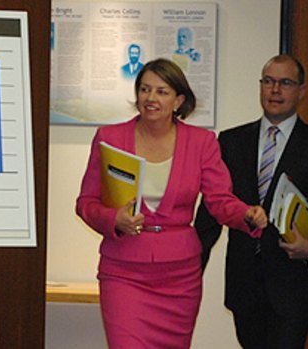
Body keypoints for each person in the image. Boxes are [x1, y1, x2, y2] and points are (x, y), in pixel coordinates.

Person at [76, 58, 268, 349]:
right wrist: (113, 219)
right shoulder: (110, 137)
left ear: (179, 101)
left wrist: (247, 214)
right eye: (144, 89)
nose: (151, 98)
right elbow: (86, 202)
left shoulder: (201, 142)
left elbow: (219, 201)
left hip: (179, 277)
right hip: (124, 272)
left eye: (162, 91)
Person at [195, 54, 308, 349]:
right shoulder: (230, 142)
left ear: (301, 91)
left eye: (285, 83)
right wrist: (190, 268)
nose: (275, 90)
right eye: (268, 81)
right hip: (244, 284)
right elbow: (211, 212)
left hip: (294, 284)